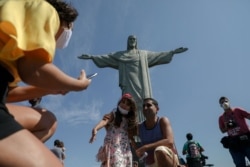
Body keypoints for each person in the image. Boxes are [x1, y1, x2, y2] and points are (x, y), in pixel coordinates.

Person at [0, 0, 91, 166]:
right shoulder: (46, 9)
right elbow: (34, 69)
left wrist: (47, 89)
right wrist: (78, 85)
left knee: (48, 120)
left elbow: (8, 95)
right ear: (67, 24)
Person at [78, 35, 188, 122]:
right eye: (130, 39)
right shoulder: (121, 55)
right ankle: (131, 127)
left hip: (141, 84)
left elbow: (157, 55)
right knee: (129, 104)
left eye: (134, 39)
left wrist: (172, 52)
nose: (132, 40)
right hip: (128, 83)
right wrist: (93, 57)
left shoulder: (143, 54)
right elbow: (108, 57)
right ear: (127, 41)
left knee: (144, 103)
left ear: (136, 42)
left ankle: (146, 125)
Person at [89, 93, 138, 167]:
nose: (124, 105)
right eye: (123, 102)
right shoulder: (114, 113)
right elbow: (105, 121)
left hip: (125, 149)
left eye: (127, 104)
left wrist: (137, 149)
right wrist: (96, 128)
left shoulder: (129, 121)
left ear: (131, 108)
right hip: (113, 147)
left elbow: (131, 137)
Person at [135, 98, 181, 167]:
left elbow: (169, 141)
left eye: (149, 105)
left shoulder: (162, 121)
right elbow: (127, 134)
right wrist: (136, 149)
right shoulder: (139, 127)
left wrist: (146, 147)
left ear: (157, 109)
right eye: (143, 106)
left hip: (168, 159)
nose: (145, 108)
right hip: (150, 163)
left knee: (159, 151)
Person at [218, 96, 250, 167]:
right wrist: (226, 127)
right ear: (220, 105)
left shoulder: (237, 110)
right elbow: (222, 131)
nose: (224, 103)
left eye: (225, 101)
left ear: (229, 101)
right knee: (240, 164)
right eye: (222, 102)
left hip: (247, 140)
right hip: (235, 144)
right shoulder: (221, 118)